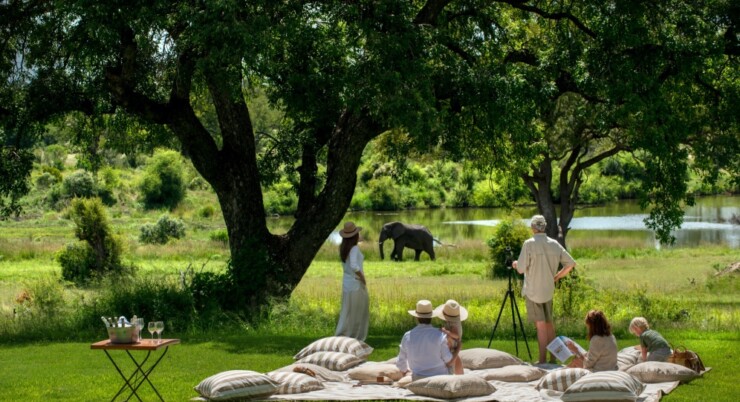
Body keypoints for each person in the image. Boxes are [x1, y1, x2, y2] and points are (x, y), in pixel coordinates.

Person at [512, 214, 576, 364]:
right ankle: (553, 359)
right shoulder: (554, 244)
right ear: (544, 226)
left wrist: (515, 264)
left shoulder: (529, 244)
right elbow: (571, 264)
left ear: (533, 228)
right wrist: (557, 277)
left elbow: (521, 269)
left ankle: (542, 361)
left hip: (533, 291)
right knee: (549, 324)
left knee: (540, 326)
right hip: (548, 290)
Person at [396, 300, 457, 380]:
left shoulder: (407, 336)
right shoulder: (440, 334)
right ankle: (462, 378)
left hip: (417, 378)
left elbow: (401, 363)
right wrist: (458, 348)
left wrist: (405, 372)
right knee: (455, 357)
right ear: (431, 317)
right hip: (440, 377)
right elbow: (448, 360)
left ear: (417, 317)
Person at [334, 221, 369, 341]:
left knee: (347, 310)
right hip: (356, 282)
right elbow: (354, 266)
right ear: (355, 236)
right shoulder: (353, 248)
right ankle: (355, 335)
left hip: (347, 282)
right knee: (358, 311)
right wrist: (363, 278)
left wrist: (357, 239)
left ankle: (344, 333)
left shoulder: (344, 247)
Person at [433, 299, 468, 375]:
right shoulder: (454, 321)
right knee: (455, 357)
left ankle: (457, 373)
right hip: (453, 341)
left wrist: (446, 331)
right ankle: (460, 374)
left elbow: (456, 335)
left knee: (452, 357)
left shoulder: (454, 324)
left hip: (454, 341)